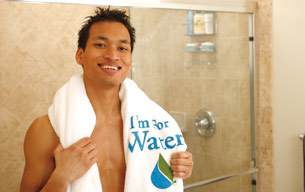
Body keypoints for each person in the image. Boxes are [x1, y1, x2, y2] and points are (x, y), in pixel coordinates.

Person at [20, 7, 193, 192]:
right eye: (101, 45)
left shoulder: (156, 125)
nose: (112, 55)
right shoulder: (46, 130)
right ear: (80, 55)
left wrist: (180, 166)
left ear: (130, 60)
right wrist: (62, 176)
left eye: (122, 48)